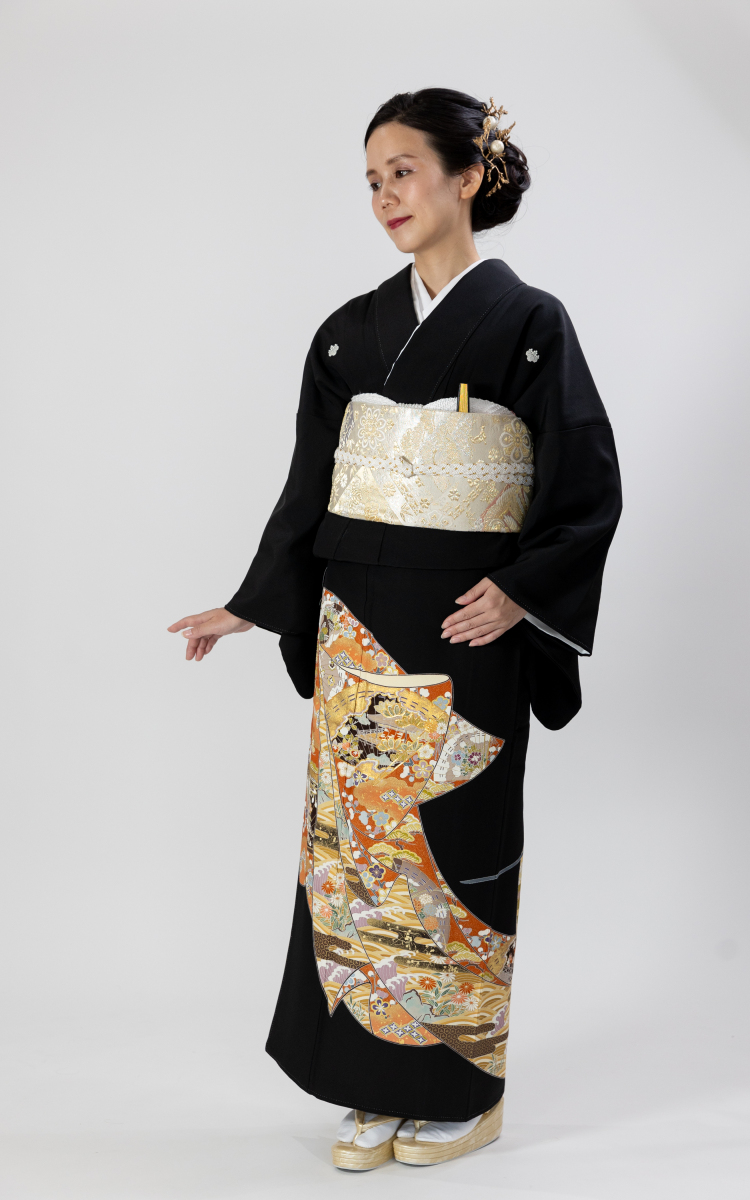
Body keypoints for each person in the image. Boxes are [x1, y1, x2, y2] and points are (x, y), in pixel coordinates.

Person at [168, 87, 622, 1170]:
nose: (384, 195)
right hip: (355, 622)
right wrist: (255, 601)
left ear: (469, 176)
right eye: (371, 179)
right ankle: (369, 1082)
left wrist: (521, 592)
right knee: (354, 851)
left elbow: (585, 485)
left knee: (454, 838)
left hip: (468, 628)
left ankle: (462, 1089)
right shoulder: (347, 333)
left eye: (403, 171)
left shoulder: (529, 322)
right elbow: (309, 488)